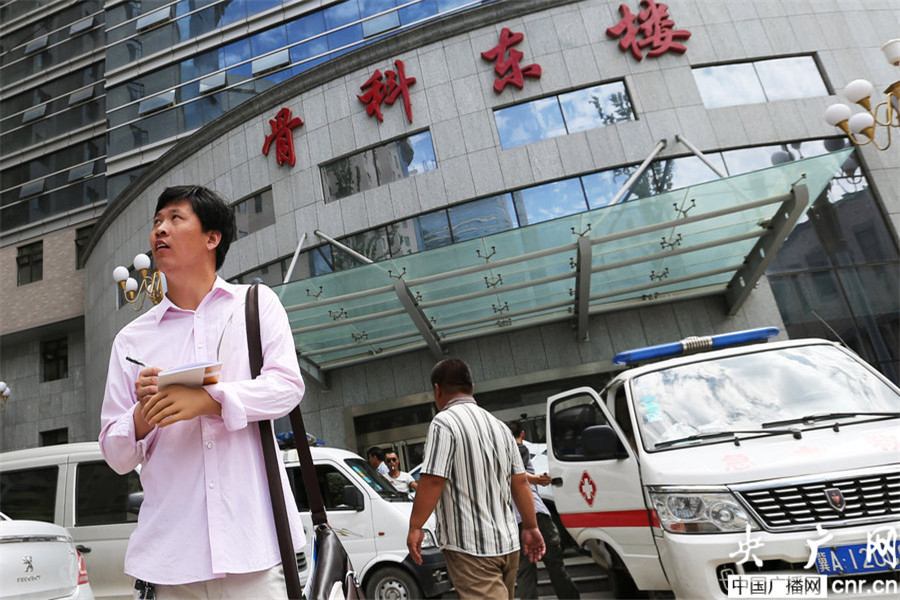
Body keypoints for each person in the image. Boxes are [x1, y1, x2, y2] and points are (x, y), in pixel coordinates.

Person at [99, 185, 305, 599]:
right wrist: (144, 414)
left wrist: (210, 400)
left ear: (213, 238)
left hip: (254, 546)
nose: (160, 230)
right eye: (157, 221)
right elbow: (115, 455)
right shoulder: (132, 339)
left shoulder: (255, 305)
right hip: (171, 556)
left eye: (176, 219)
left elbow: (286, 387)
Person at [407, 358, 545, 600]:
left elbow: (432, 481)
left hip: (470, 547)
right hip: (508, 545)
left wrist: (416, 526)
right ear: (471, 385)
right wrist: (531, 526)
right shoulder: (500, 427)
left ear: (437, 390)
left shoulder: (444, 423)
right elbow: (521, 482)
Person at [508, 421, 581, 600]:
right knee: (555, 566)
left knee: (525, 572)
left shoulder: (495, 459)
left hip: (514, 521)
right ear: (523, 435)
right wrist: (536, 479)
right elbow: (518, 475)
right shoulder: (519, 449)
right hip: (536, 515)